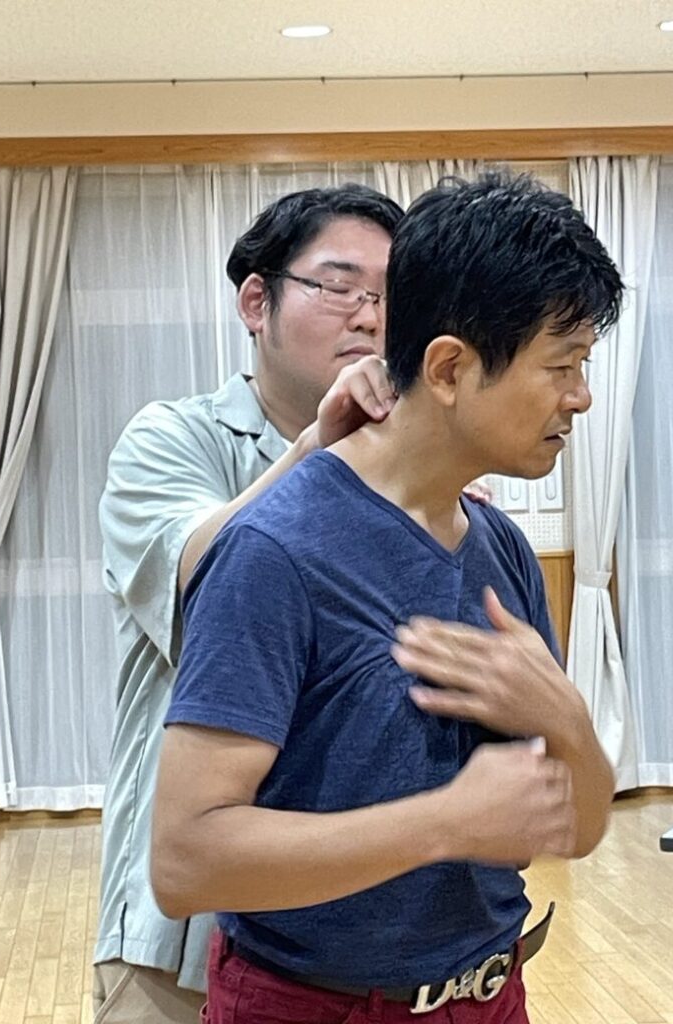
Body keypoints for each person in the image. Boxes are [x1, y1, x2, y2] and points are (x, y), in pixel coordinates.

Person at [151, 171, 624, 1024]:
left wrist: (568, 721)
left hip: (492, 995)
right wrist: (444, 820)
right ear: (448, 368)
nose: (581, 397)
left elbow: (577, 828)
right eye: (561, 366)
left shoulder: (502, 549)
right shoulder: (275, 551)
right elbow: (186, 861)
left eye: (583, 365)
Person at [93, 183, 406, 1024]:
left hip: (357, 944)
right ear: (256, 302)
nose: (370, 317)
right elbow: (207, 583)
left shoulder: (411, 471)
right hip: (183, 938)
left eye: (391, 296)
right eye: (340, 286)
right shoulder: (172, 438)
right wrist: (318, 450)